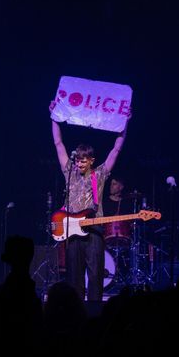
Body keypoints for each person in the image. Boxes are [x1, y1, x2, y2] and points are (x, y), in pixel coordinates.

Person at [51, 112, 128, 302]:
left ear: (91, 161)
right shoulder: (69, 171)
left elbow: (116, 150)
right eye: (77, 160)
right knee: (74, 277)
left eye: (83, 161)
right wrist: (54, 117)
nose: (79, 164)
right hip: (72, 232)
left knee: (95, 276)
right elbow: (58, 144)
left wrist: (125, 122)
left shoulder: (99, 175)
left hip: (93, 230)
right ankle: (76, 313)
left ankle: (94, 311)